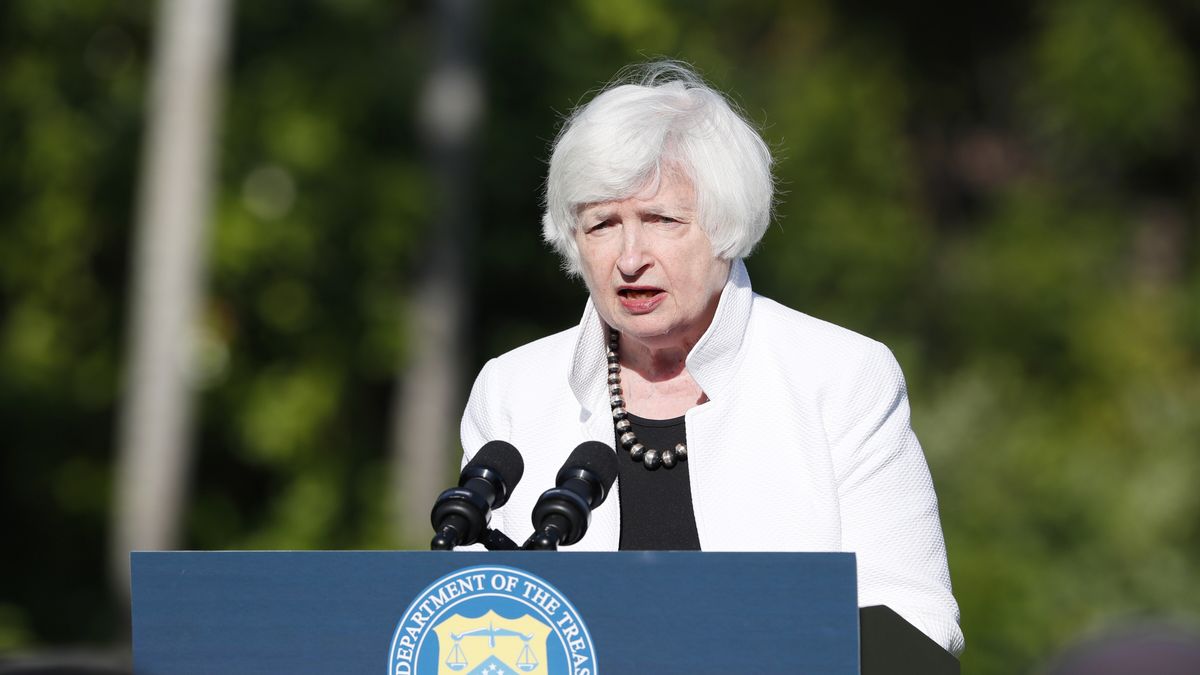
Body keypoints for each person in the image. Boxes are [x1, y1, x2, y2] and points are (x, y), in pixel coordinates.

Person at [459, 61, 964, 655]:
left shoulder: (841, 377)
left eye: (661, 220)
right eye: (601, 225)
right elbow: (463, 616)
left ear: (726, 224)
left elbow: (917, 627)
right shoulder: (513, 389)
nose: (629, 258)